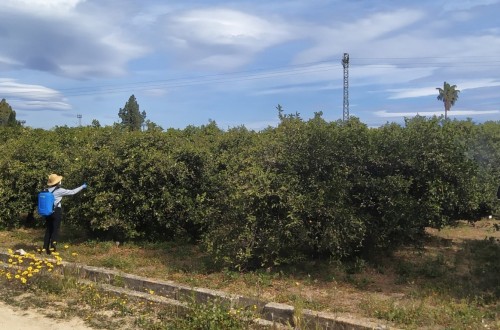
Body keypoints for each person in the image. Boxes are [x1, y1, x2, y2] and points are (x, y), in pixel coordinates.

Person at [43, 173, 87, 255]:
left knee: (48, 230)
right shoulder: (60, 190)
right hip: (56, 211)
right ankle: (53, 249)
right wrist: (82, 186)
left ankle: (45, 249)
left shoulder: (46, 190)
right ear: (57, 182)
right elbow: (72, 192)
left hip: (47, 212)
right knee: (55, 230)